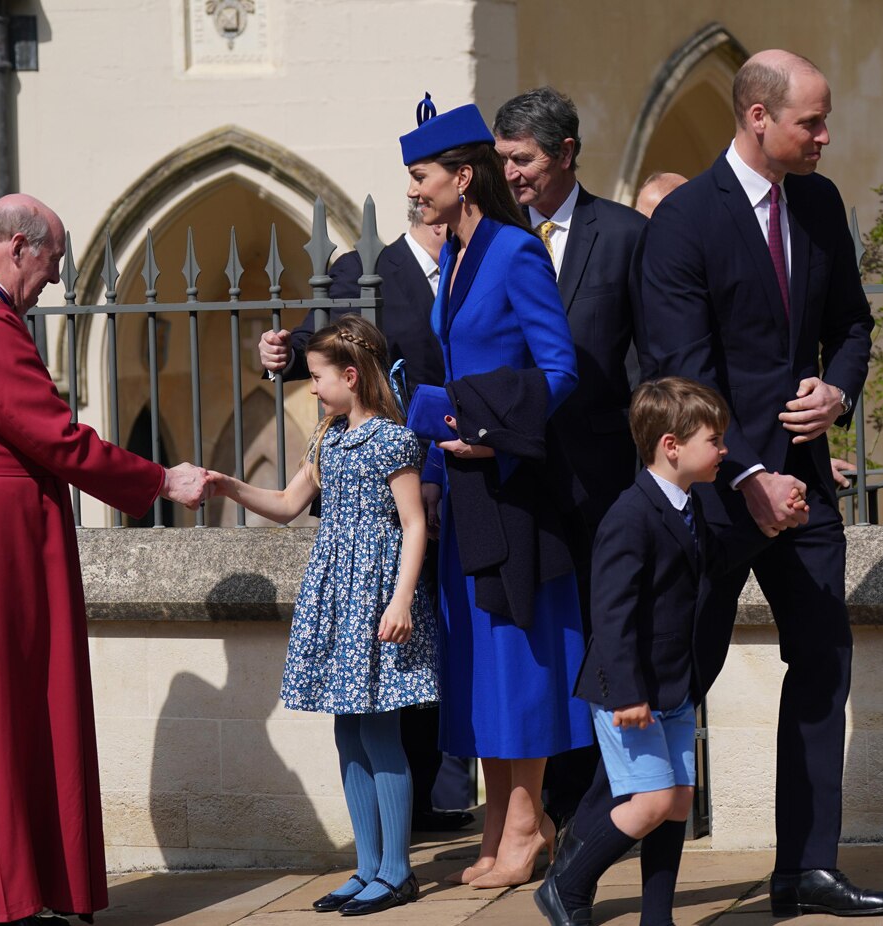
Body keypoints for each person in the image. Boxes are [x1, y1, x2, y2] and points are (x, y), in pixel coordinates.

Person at [638, 50, 883, 916]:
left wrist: (839, 388)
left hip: (808, 492)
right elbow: (685, 364)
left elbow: (853, 325)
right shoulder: (684, 220)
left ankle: (806, 870)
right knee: (683, 677)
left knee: (824, 663)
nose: (825, 136)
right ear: (758, 117)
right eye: (810, 123)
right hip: (716, 497)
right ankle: (623, 880)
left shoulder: (820, 204)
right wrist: (746, 470)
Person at [0, 194, 209, 925]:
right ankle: (10, 895)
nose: (51, 280)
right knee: (9, 703)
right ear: (18, 246)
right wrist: (158, 479)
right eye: (51, 262)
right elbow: (52, 436)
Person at [402, 93, 591, 889]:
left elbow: (559, 371)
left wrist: (487, 432)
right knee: (481, 662)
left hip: (513, 486)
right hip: (466, 488)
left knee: (519, 660)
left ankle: (528, 822)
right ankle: (499, 822)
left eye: (422, 176)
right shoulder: (451, 255)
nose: (414, 190)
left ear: (464, 175)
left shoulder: (515, 253)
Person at [536, 378, 804, 926]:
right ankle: (567, 884)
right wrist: (628, 694)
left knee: (678, 801)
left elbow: (716, 558)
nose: (724, 451)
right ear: (671, 444)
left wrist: (770, 525)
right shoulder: (630, 515)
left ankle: (657, 916)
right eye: (715, 439)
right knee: (652, 803)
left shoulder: (688, 507)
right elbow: (611, 614)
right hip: (629, 690)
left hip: (675, 684)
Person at [209, 314, 439, 916]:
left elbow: (414, 524)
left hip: (378, 594)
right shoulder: (327, 439)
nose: (310, 387)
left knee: (381, 729)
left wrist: (401, 601)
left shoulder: (392, 440)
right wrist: (228, 486)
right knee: (347, 728)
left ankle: (397, 870)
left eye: (316, 377)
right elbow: (287, 505)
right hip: (336, 596)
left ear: (351, 376)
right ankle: (366, 867)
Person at [258, 203, 473, 834]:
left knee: (449, 630)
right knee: (394, 656)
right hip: (391, 473)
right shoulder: (365, 265)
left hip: (471, 464)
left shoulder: (476, 262)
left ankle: (443, 792)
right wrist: (281, 352)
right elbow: (320, 341)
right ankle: (421, 806)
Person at [492, 87, 647, 827]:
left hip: (603, 479)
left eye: (523, 160)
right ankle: (545, 807)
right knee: (538, 642)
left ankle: (607, 799)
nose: (512, 174)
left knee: (605, 629)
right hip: (515, 483)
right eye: (503, 161)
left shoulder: (623, 235)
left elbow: (648, 362)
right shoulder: (489, 239)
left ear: (565, 155)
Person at [258, 201, 445, 398]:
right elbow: (318, 340)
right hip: (401, 424)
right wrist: (282, 355)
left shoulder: (468, 276)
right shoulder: (363, 269)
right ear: (438, 223)